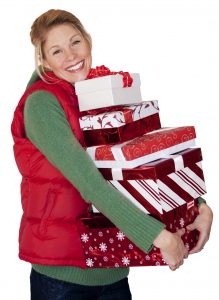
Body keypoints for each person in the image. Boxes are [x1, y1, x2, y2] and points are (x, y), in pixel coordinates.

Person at [11, 9, 213, 300]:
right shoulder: (42, 104)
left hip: (112, 266)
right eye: (57, 50)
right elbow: (90, 183)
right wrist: (158, 236)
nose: (70, 55)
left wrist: (198, 206)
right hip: (63, 278)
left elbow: (139, 160)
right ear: (43, 60)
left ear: (88, 41)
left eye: (75, 42)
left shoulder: (96, 91)